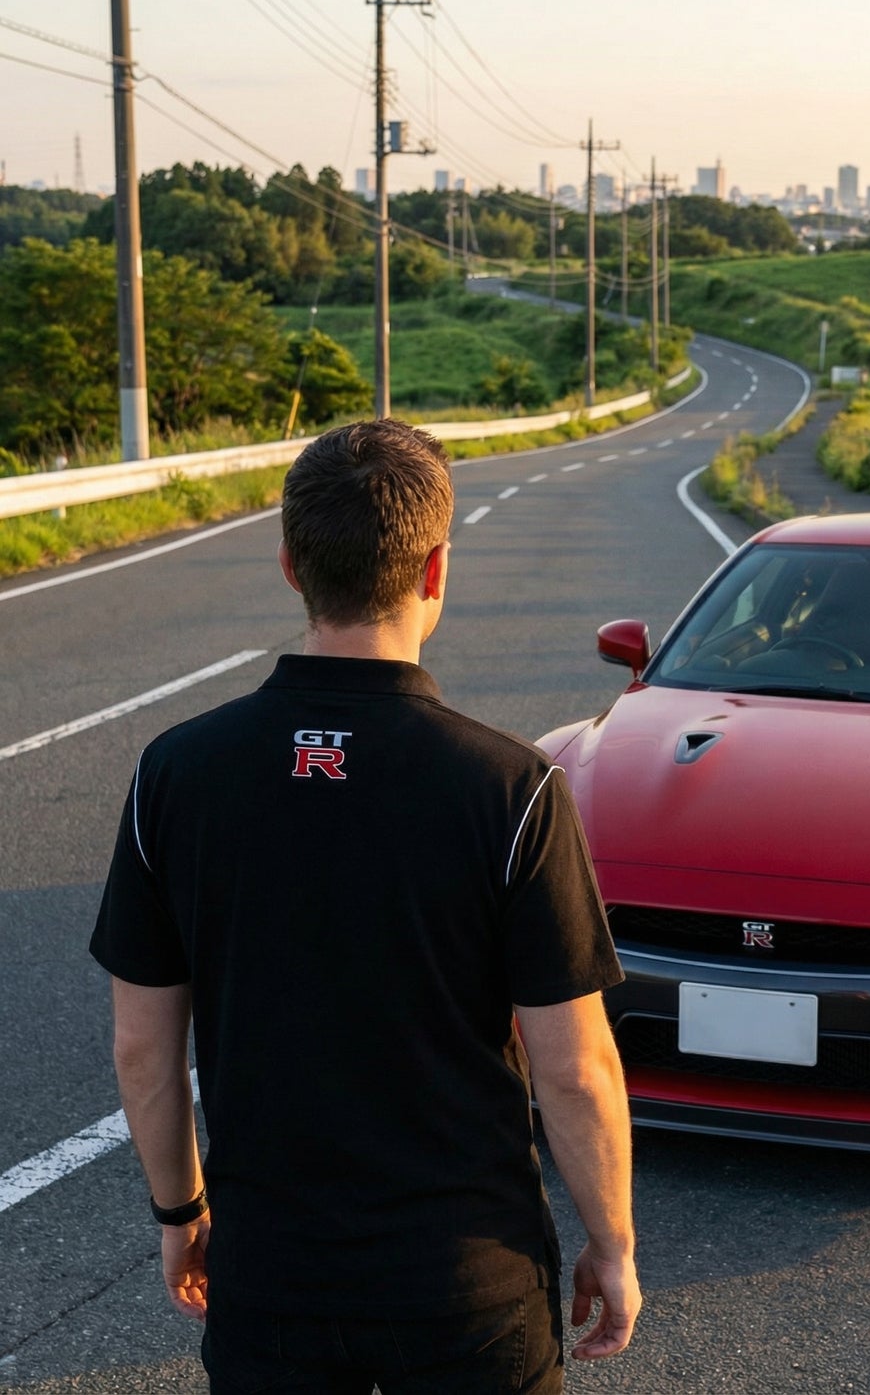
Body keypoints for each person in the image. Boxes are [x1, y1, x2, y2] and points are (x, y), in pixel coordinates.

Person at [90, 418, 640, 1392]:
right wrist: (612, 1243)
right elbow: (575, 1070)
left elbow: (143, 1045)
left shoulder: (176, 773)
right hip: (467, 1282)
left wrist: (181, 1214)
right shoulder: (510, 788)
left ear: (290, 564)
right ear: (435, 571)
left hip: (271, 1276)